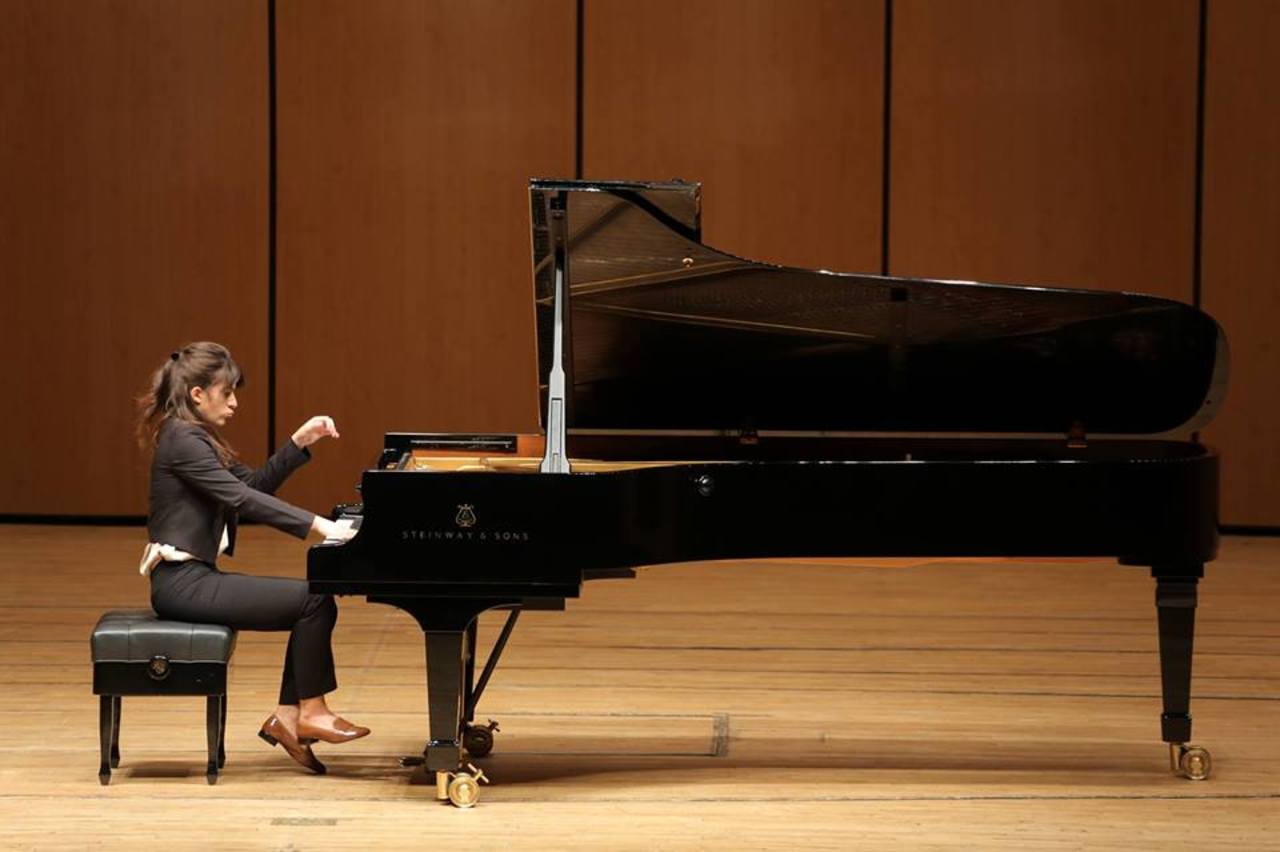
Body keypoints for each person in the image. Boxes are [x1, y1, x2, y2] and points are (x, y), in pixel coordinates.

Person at [136, 341, 366, 775]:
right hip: (182, 584)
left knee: (314, 600)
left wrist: (298, 443)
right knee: (312, 600)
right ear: (198, 394)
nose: (235, 403)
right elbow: (241, 499)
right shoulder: (182, 439)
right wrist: (322, 526)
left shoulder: (194, 436)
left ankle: (290, 716)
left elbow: (252, 487)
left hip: (191, 579)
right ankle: (309, 711)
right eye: (227, 393)